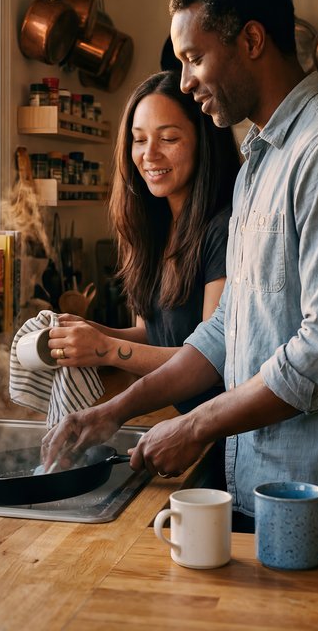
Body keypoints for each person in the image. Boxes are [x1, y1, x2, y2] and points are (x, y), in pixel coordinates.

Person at [43, 0, 318, 542]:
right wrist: (115, 412)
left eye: (194, 58)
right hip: (263, 476)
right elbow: (223, 333)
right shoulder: (257, 167)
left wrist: (194, 426)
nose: (184, 81)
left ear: (253, 41)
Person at [48, 70, 241, 414]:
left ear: (203, 142)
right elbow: (151, 336)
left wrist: (105, 348)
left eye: (168, 139)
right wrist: (89, 331)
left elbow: (213, 363)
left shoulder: (223, 228)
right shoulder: (150, 227)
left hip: (222, 429)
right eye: (139, 139)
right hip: (184, 418)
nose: (149, 155)